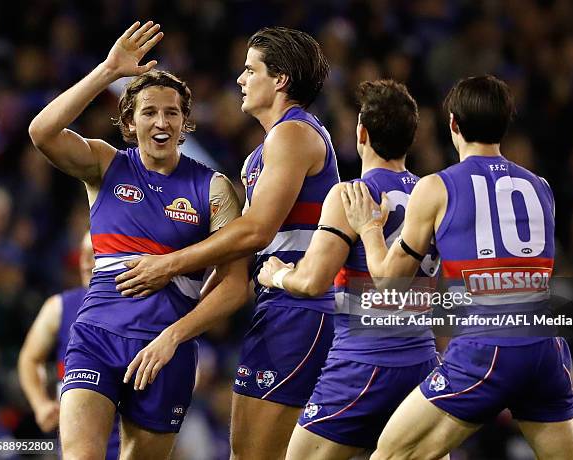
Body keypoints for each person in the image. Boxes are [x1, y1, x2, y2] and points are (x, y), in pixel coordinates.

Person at [113, 27, 338, 459]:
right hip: (278, 304)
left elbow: (256, 232)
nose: (240, 78)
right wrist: (177, 324)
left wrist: (170, 265)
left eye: (250, 69)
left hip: (301, 307)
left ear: (280, 80)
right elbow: (242, 254)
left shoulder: (293, 135)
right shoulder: (269, 146)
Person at [28, 21, 248, 460]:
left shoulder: (213, 189)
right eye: (149, 112)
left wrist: (173, 338)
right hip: (97, 336)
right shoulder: (105, 166)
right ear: (130, 121)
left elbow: (236, 284)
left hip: (167, 351)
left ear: (186, 121)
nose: (161, 122)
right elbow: (42, 132)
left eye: (172, 112)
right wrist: (108, 71)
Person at [341, 75, 573, 460]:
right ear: (505, 123)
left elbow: (389, 284)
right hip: (545, 350)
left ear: (453, 123)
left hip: (485, 349)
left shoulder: (436, 187)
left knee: (389, 454)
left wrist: (369, 229)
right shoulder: (541, 186)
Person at [257, 79, 442, 460]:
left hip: (362, 364)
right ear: (412, 137)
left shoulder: (352, 194)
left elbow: (311, 282)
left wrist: (274, 274)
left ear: (362, 133)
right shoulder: (433, 193)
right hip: (422, 362)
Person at [18, 232, 120, 459]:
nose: (85, 262)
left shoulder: (142, 308)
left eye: (94, 254)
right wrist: (40, 403)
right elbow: (29, 358)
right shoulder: (59, 307)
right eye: (82, 254)